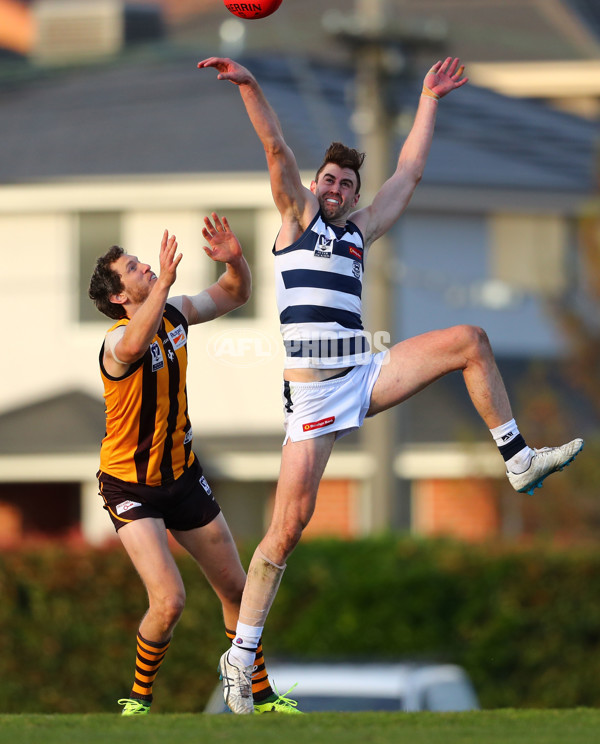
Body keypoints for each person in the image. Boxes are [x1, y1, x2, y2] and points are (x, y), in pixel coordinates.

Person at [198, 56, 584, 714]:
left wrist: (430, 98)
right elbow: (274, 145)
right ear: (314, 183)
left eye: (347, 183)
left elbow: (409, 174)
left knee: (470, 341)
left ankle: (518, 459)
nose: (337, 189)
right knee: (286, 530)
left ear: (353, 192)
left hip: (363, 374)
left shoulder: (358, 233)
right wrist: (251, 85)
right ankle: (241, 656)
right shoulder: (296, 218)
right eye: (330, 178)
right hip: (315, 400)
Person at [88, 214, 300, 715]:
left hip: (182, 476)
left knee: (238, 589)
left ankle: (260, 696)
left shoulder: (175, 312)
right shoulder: (116, 342)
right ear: (119, 297)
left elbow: (234, 294)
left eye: (142, 264)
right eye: (133, 269)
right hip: (130, 486)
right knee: (170, 602)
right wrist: (163, 281)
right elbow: (135, 346)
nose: (144, 268)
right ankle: (138, 704)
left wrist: (236, 260)